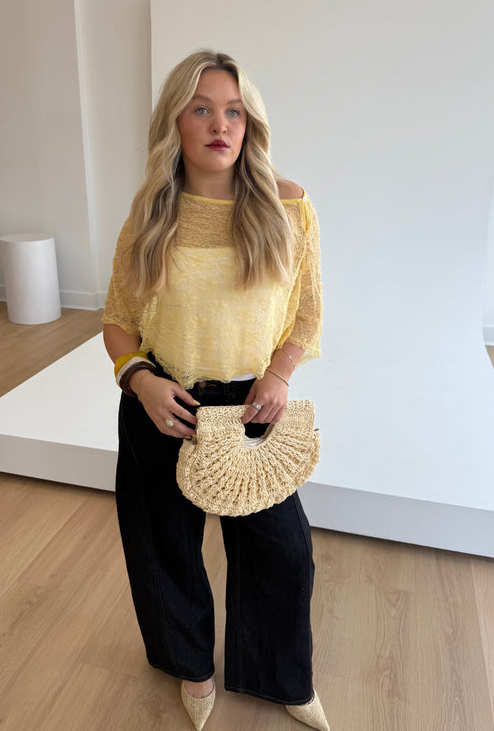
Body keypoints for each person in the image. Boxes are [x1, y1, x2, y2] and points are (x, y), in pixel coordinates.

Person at [102, 50, 328, 731]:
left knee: (280, 553)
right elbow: (117, 320)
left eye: (232, 109)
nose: (218, 123)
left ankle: (279, 676)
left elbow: (307, 314)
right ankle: (191, 671)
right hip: (161, 403)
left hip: (253, 407)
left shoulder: (287, 207)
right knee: (162, 546)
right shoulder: (150, 215)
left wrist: (280, 373)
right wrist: (138, 380)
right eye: (200, 107)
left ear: (249, 122)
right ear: (175, 120)